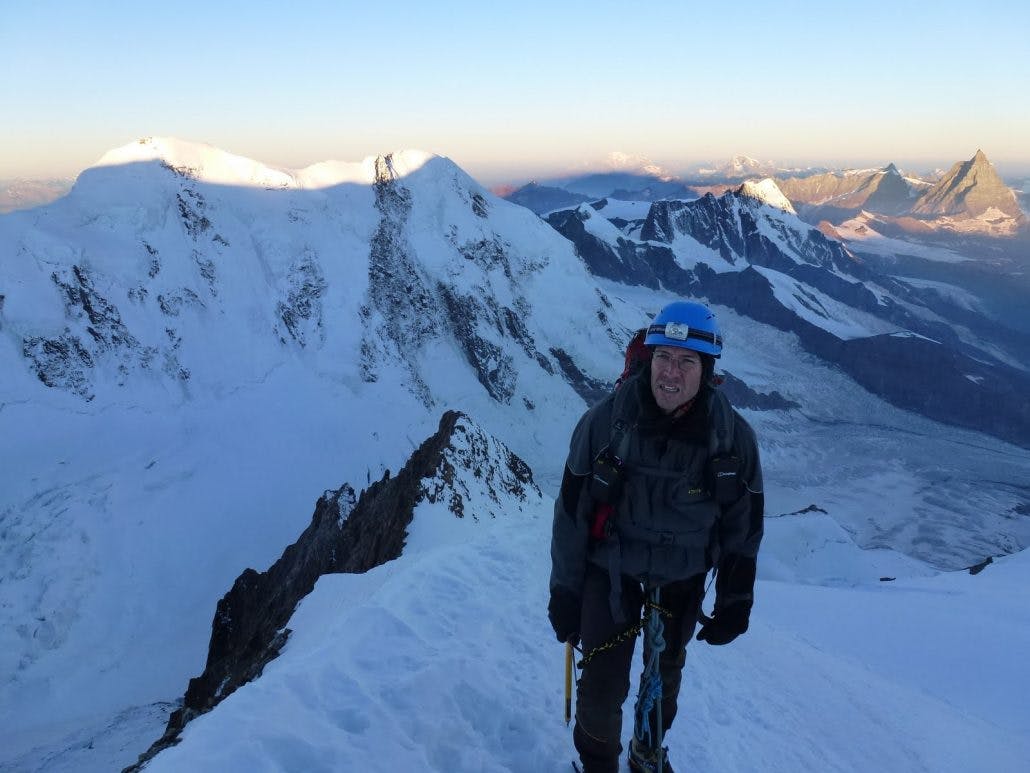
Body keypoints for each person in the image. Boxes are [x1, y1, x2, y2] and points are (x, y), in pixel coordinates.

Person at [548, 301, 764, 773]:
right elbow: (570, 515)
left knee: (663, 681)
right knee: (601, 687)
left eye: (687, 362)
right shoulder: (603, 425)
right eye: (664, 357)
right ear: (647, 359)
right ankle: (599, 763)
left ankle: (648, 751)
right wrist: (565, 591)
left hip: (681, 577)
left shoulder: (732, 441)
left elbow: (743, 528)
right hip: (612, 571)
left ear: (707, 371)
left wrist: (736, 599)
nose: (671, 372)